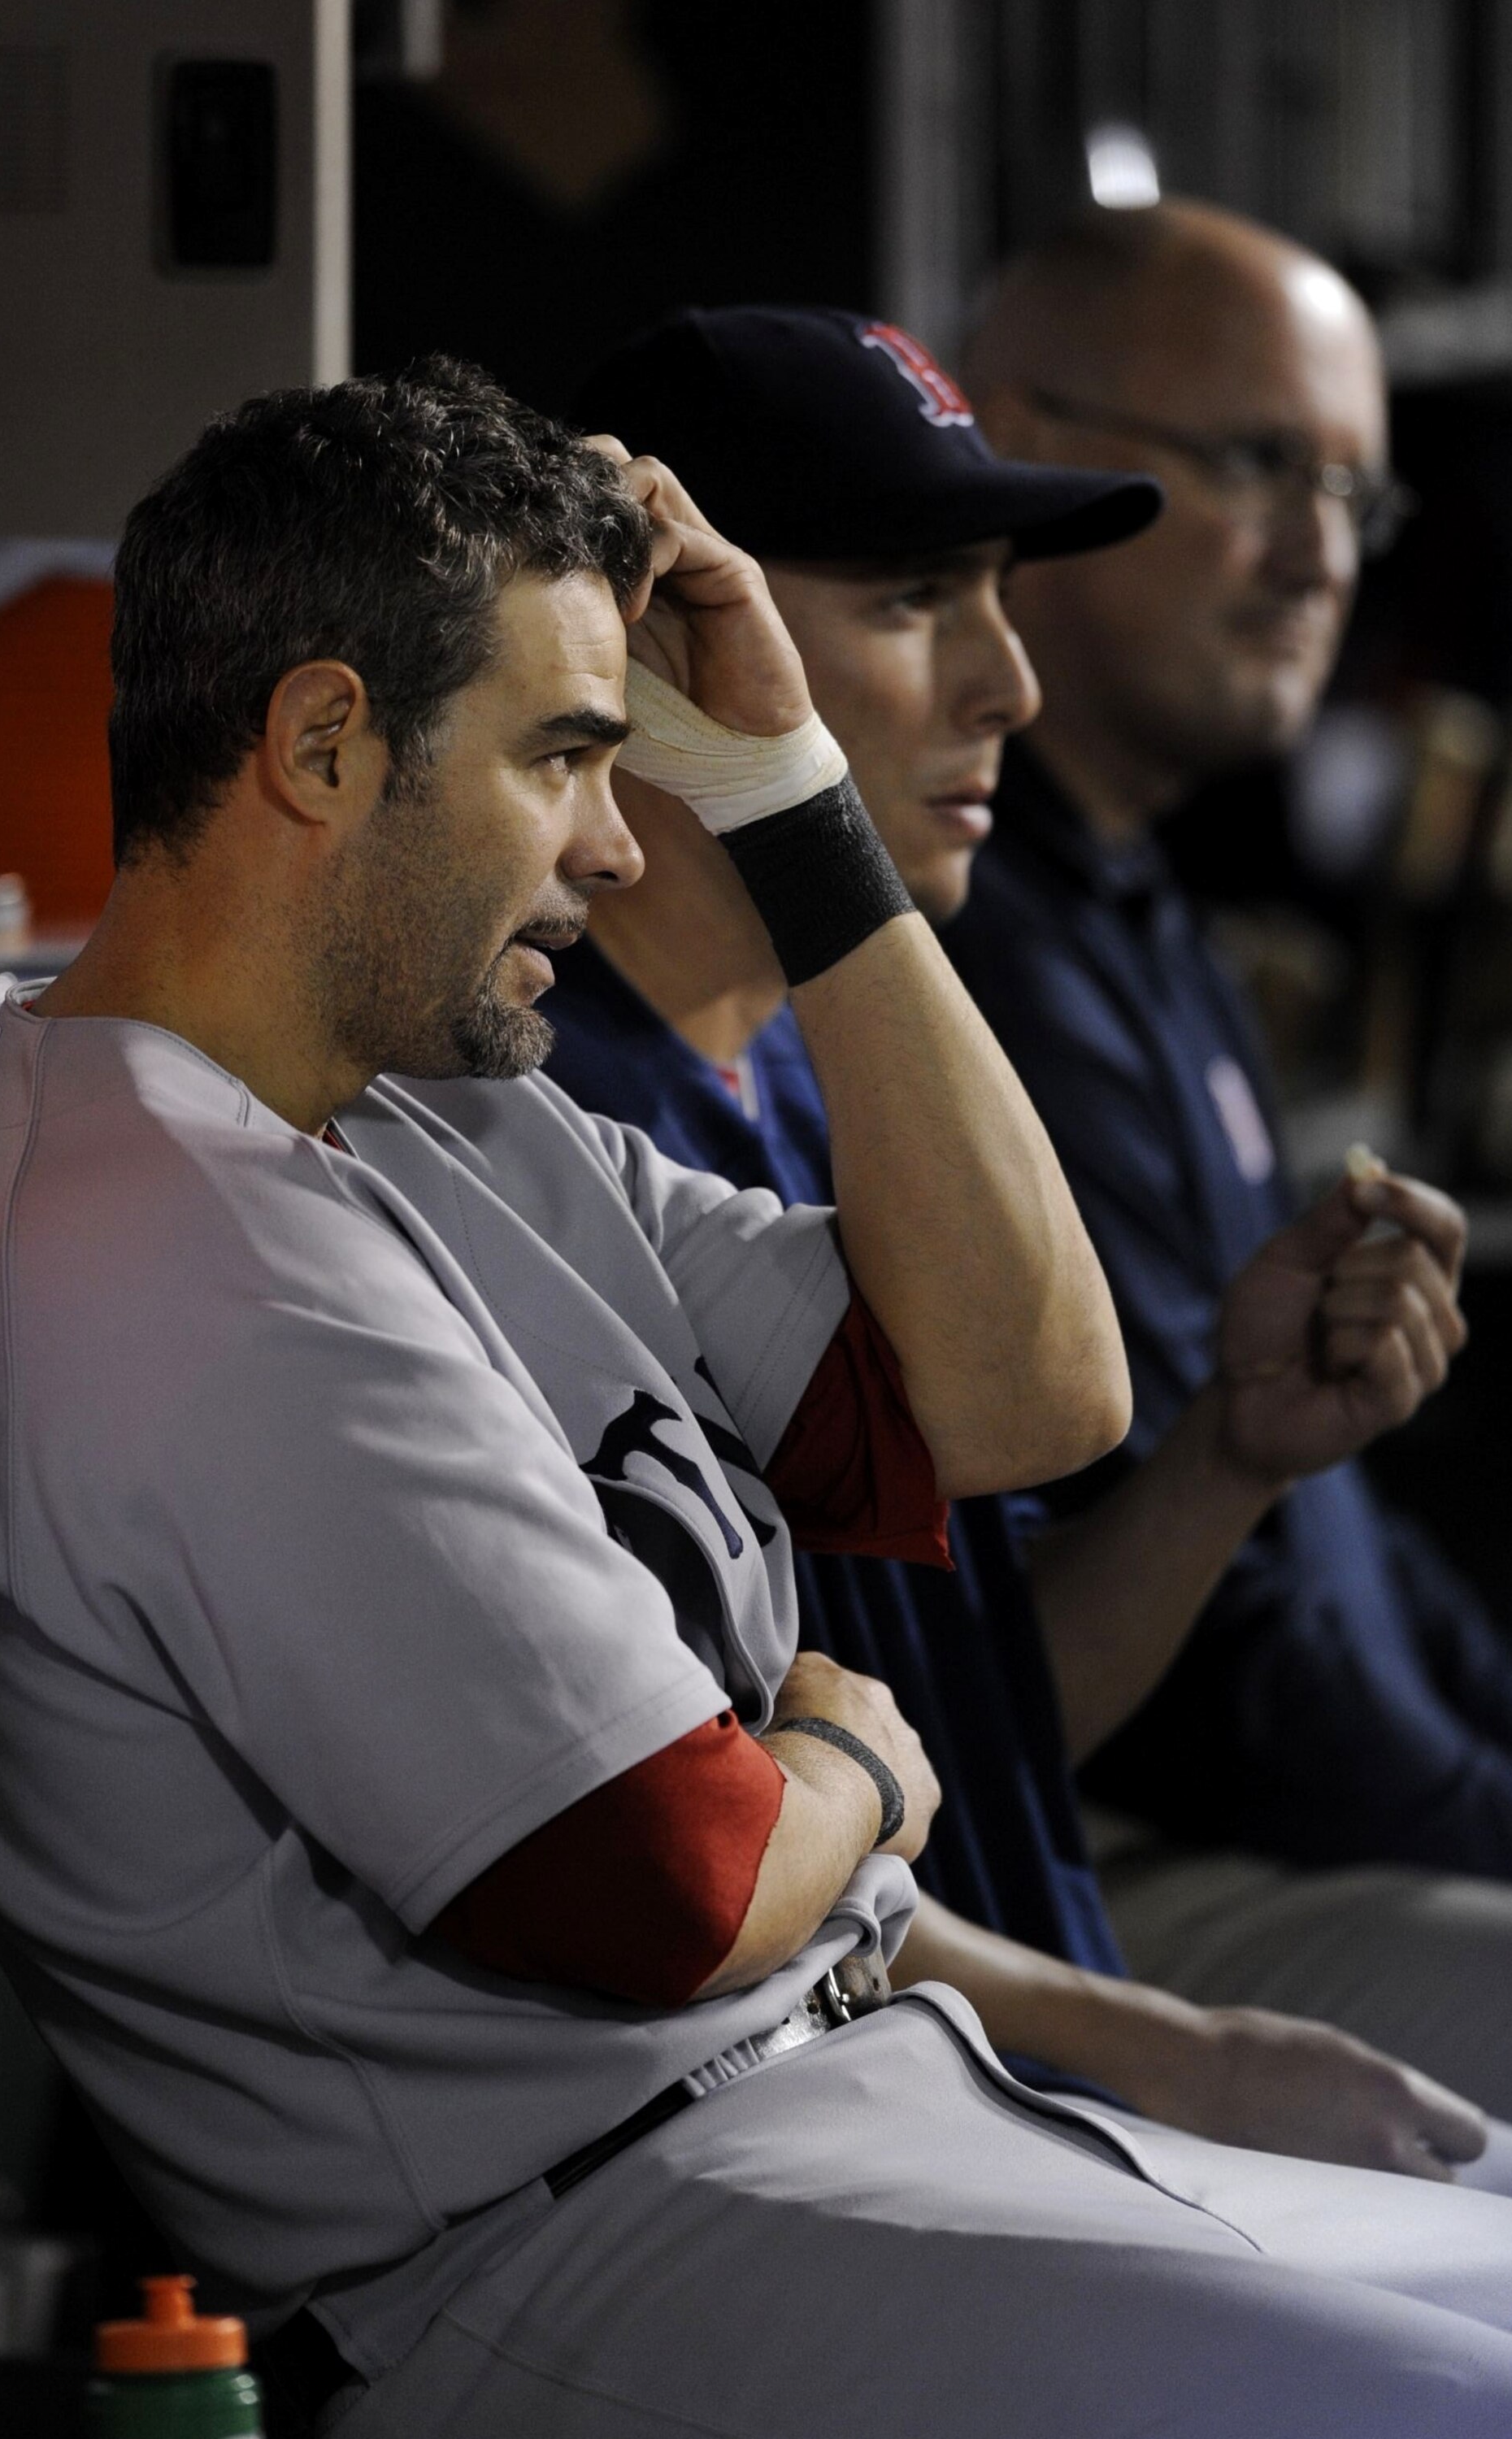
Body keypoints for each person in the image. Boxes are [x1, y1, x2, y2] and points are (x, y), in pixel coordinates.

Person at [0, 359, 1512, 2439]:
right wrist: (850, 1761)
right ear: (319, 744)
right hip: (564, 2250)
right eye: (564, 754)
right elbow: (668, 1878)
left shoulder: (438, 1122)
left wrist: (794, 799)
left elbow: (1029, 1394)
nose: (614, 839)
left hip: (845, 2105)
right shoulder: (151, 1246)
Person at [560, 302, 1509, 2189]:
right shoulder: (541, 1122)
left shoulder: (839, 1082)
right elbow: (684, 1867)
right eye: (918, 601)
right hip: (811, 2116)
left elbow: (989, 1710)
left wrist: (1229, 1460)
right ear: (667, 642)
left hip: (1003, 2032)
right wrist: (1164, 2046)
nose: (1008, 685)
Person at [942, 197, 1512, 2124]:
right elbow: (1222, 1682)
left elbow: (1338, 1544)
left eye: (1359, 499)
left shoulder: (1133, 898)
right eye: (1267, 466)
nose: (1320, 561)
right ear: (1016, 436)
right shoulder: (967, 944)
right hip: (1094, 1876)